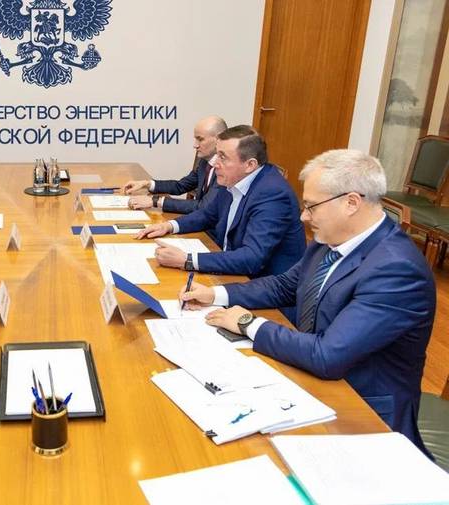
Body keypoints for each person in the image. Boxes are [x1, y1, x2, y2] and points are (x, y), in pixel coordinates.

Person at [180, 149, 436, 456]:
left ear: (351, 203)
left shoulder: (396, 269)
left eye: (311, 206)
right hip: (310, 381)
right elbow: (285, 286)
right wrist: (217, 295)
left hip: (363, 414)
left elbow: (328, 355)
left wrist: (248, 323)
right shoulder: (330, 239)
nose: (303, 216)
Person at [136, 125, 305, 282]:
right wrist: (169, 226)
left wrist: (187, 259)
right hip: (230, 268)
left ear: (250, 165)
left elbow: (252, 258)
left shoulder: (273, 194)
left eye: (223, 157)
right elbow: (208, 214)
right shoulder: (233, 178)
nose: (215, 164)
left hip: (262, 286)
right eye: (217, 155)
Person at [122, 115, 226, 216]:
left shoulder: (225, 168)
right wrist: (147, 184)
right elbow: (180, 186)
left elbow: (203, 206)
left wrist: (156, 201)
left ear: (219, 139)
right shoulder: (204, 162)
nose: (195, 145)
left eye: (200, 139)